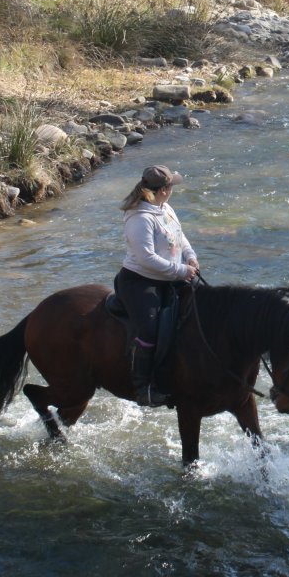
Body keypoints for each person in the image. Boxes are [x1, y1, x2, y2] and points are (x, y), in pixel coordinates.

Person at [116, 165, 200, 407]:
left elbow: (179, 237)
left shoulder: (165, 208)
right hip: (140, 282)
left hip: (172, 277)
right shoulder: (140, 218)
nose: (173, 189)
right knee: (149, 330)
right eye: (172, 185)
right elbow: (147, 259)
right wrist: (182, 270)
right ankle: (144, 388)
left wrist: (190, 257)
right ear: (164, 189)